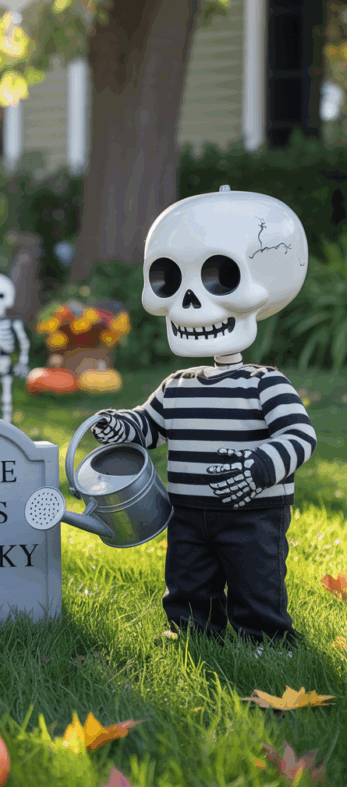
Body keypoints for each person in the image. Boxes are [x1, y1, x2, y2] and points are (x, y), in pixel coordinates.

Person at [90, 185, 316, 651]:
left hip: (253, 512)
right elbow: (149, 425)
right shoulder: (178, 384)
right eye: (169, 282)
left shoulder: (264, 382)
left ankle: (266, 636)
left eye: (221, 278)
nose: (190, 303)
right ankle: (191, 630)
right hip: (188, 511)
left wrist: (261, 466)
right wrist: (120, 425)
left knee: (256, 576)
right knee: (188, 577)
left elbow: (300, 435)